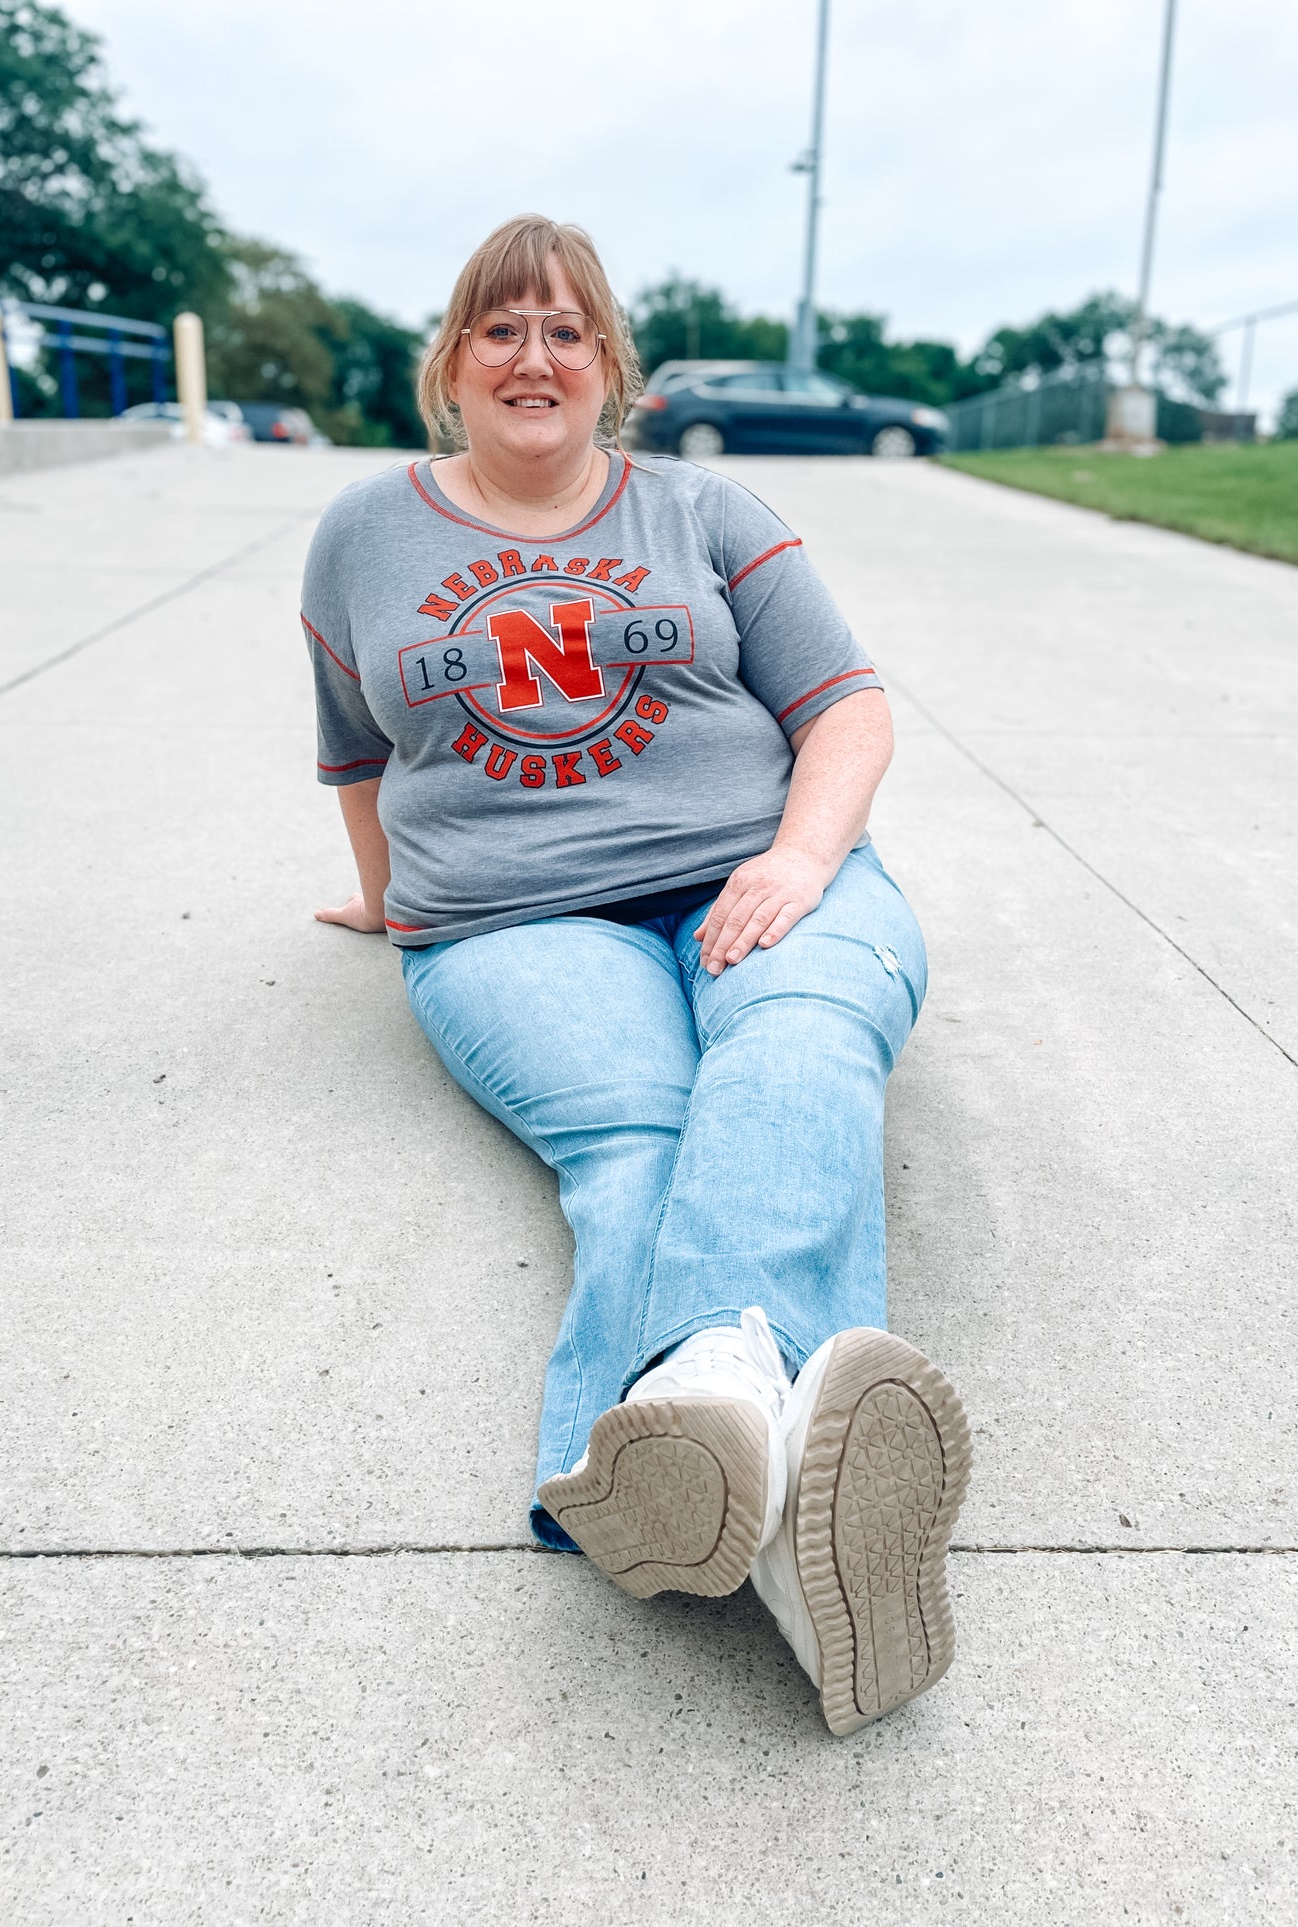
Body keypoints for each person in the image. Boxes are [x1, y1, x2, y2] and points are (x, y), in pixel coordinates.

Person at [303, 215, 970, 1737]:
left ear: (612, 367)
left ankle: (695, 1421)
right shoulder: (365, 531)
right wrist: (378, 898)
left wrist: (802, 863)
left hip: (760, 863)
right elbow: (355, 745)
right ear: (452, 366)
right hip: (516, 916)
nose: (533, 358)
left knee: (798, 1042)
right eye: (500, 329)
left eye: (565, 331)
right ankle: (806, 1540)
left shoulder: (705, 506)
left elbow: (847, 708)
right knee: (646, 1141)